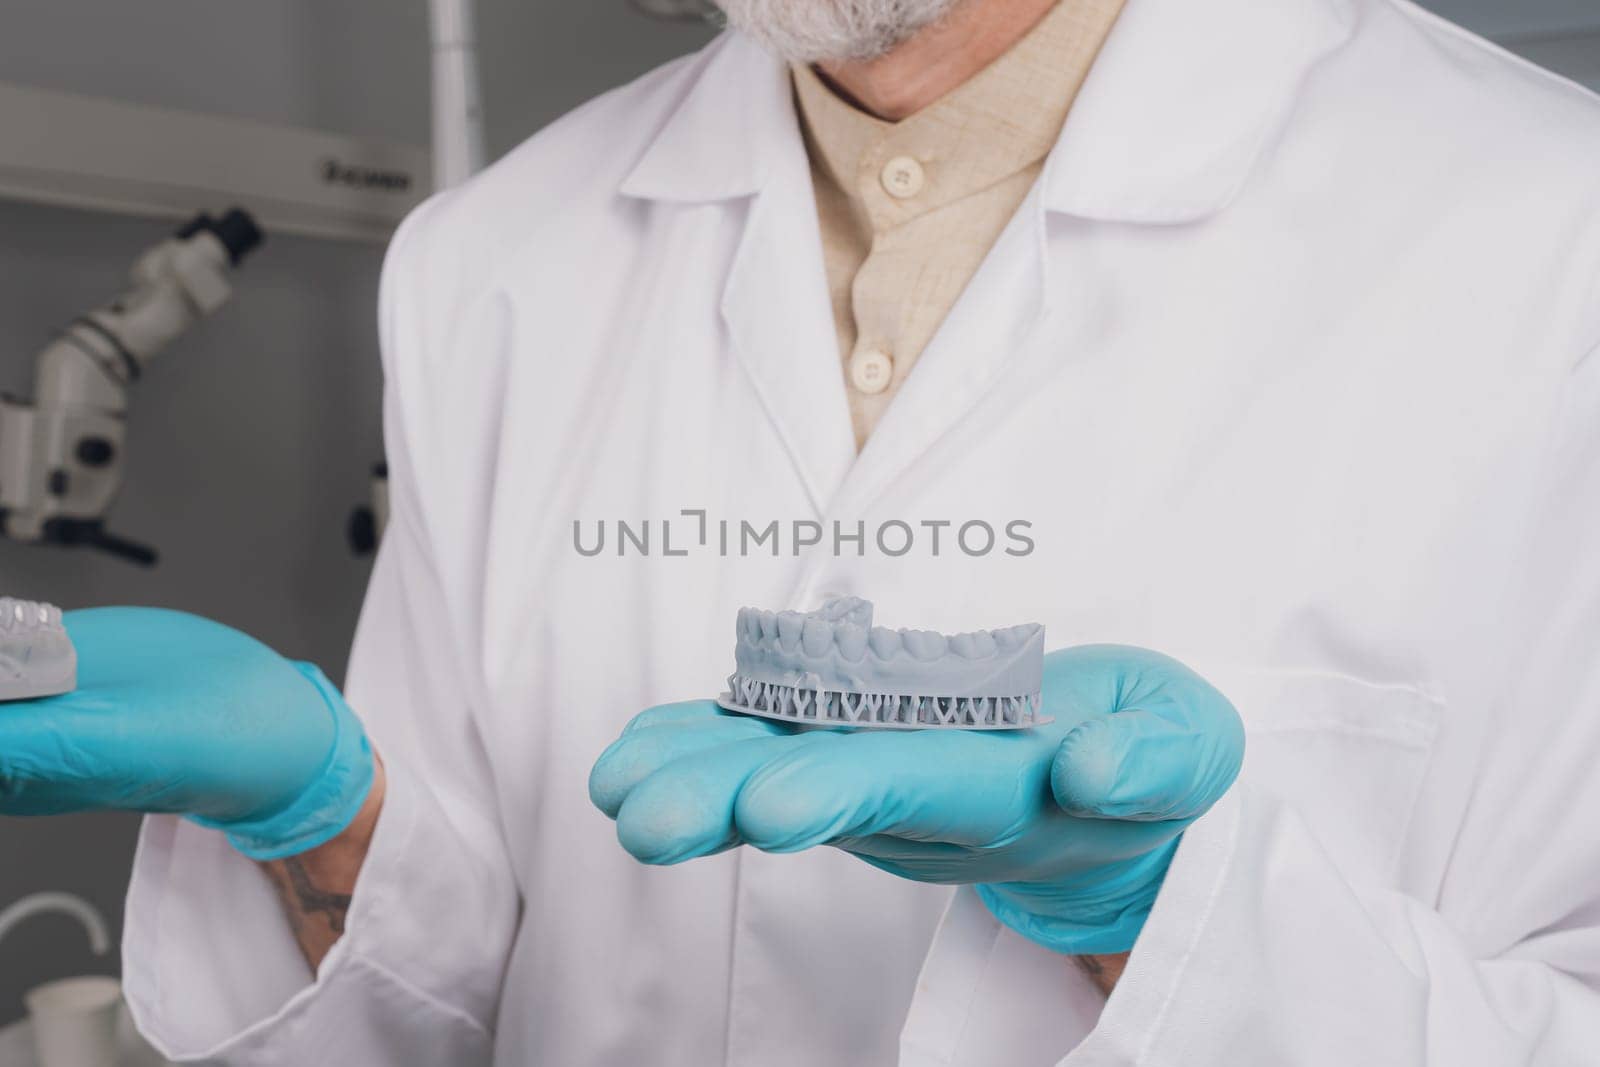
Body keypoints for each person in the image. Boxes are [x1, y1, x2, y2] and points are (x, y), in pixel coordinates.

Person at [2, 0, 1598, 1062]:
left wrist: (1172, 925)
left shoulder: (1547, 235)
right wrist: (328, 822)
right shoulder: (490, 262)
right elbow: (470, 1002)